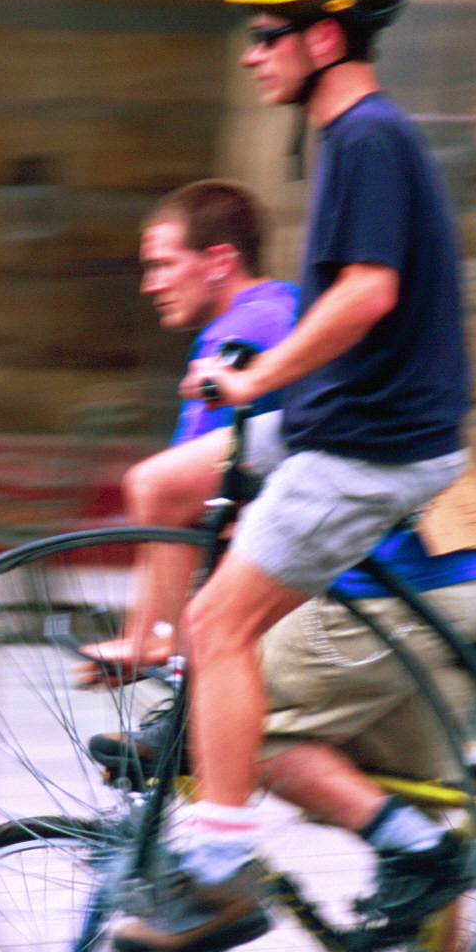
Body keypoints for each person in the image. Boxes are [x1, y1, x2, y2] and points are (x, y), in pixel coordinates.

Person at [109, 0, 475, 952]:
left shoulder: (367, 139)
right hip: (341, 419)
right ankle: (168, 685)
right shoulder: (349, 139)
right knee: (165, 483)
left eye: (266, 35)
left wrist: (258, 377)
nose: (250, 54)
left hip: (372, 444)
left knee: (221, 623)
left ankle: (220, 870)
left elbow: (368, 294)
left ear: (324, 39)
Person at [81, 180, 297, 677]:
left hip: (312, 590)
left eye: (163, 265)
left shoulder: (234, 337)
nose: (150, 285)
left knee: (212, 687)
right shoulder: (286, 304)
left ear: (219, 261)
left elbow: (172, 503)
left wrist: (151, 637)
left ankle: (184, 653)